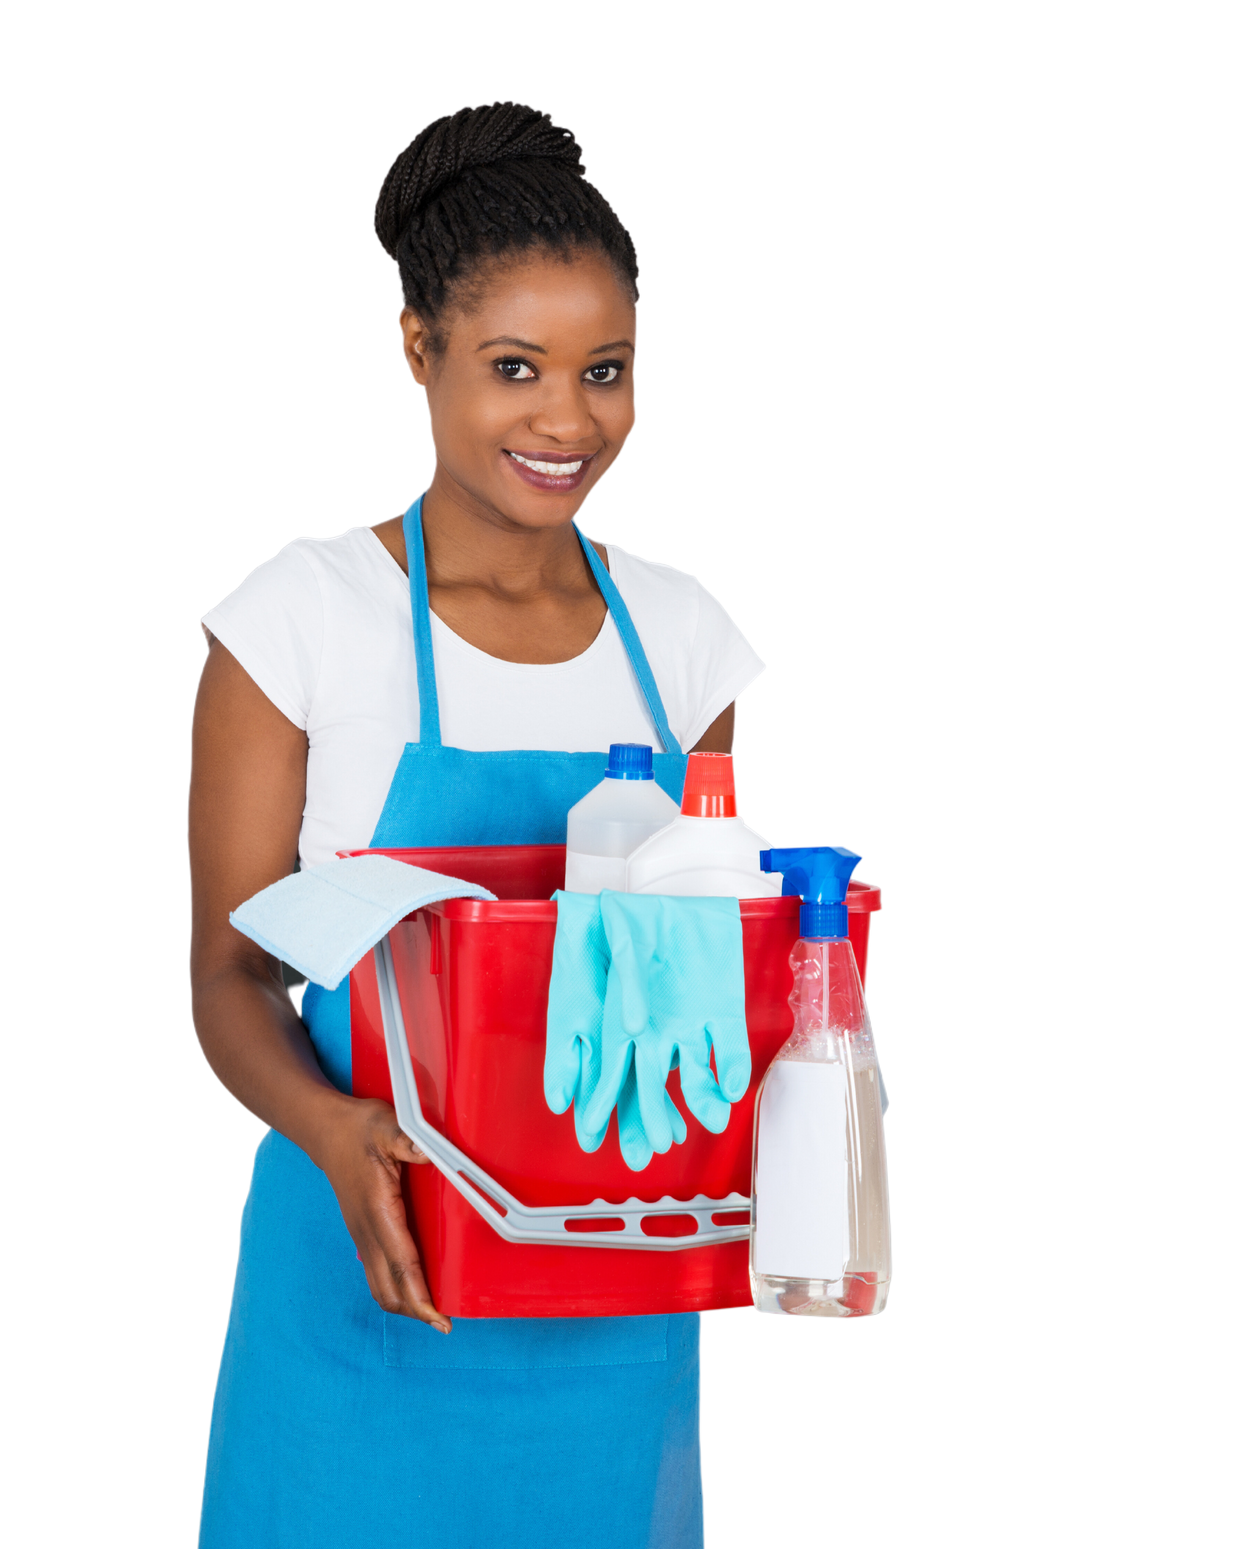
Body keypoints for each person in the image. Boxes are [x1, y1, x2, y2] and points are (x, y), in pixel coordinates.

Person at [189, 103, 765, 1547]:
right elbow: (231, 970)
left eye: (606, 373)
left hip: (615, 1280)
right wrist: (334, 1136)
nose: (567, 421)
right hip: (360, 1263)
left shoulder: (690, 645)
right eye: (516, 369)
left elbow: (715, 970)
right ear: (416, 354)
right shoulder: (302, 620)